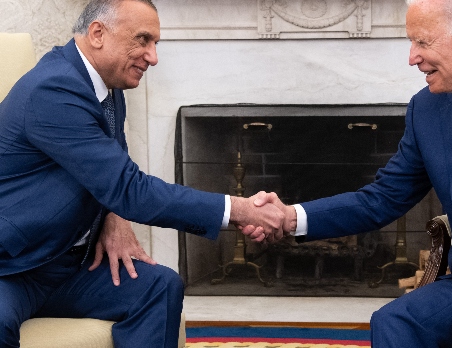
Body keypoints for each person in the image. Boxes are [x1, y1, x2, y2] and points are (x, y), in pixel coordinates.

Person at [246, 0, 452, 346]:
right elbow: (382, 198)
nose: (412, 57)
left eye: (423, 42)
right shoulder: (428, 109)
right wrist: (289, 218)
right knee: (393, 321)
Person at [0, 0, 283, 347]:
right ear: (98, 33)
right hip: (12, 267)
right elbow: (129, 187)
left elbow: (111, 166)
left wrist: (112, 215)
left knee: (159, 286)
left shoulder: (107, 86)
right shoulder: (53, 89)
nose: (153, 57)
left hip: (67, 264)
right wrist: (239, 210)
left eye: (155, 44)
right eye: (143, 40)